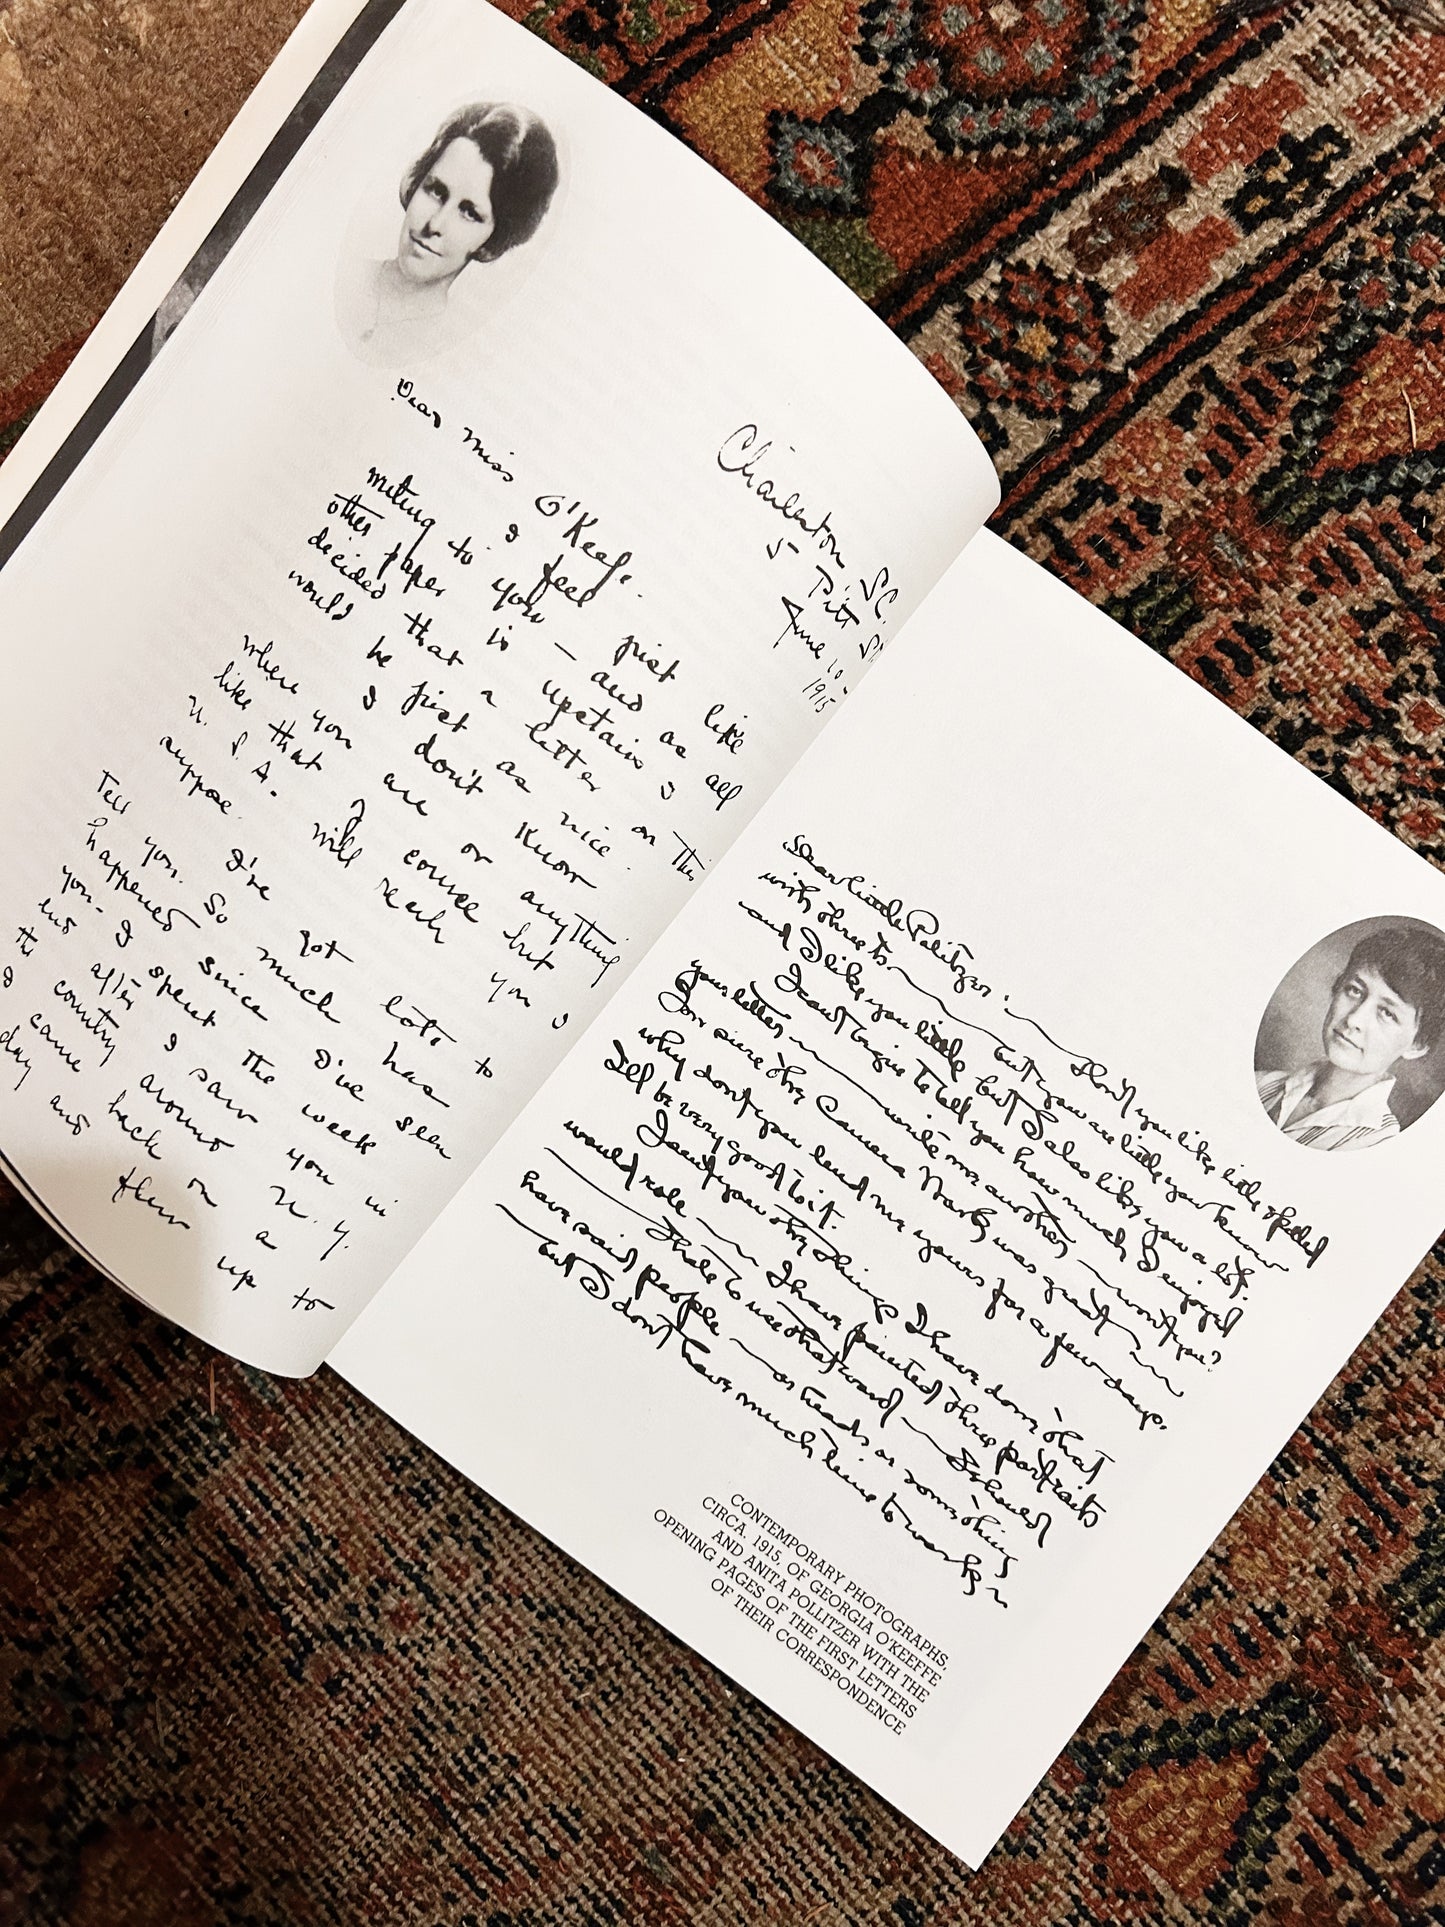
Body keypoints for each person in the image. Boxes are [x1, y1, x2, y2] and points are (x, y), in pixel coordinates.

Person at [339, 102, 559, 361]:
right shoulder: (344, 274)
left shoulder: (458, 353)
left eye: (469, 213)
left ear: (492, 240)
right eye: (436, 191)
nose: (435, 224)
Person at [1257, 924, 1445, 1150]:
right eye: (1355, 990)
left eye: (1387, 1013)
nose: (1354, 1019)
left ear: (1417, 1044)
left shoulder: (1376, 1144)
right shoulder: (1261, 1083)